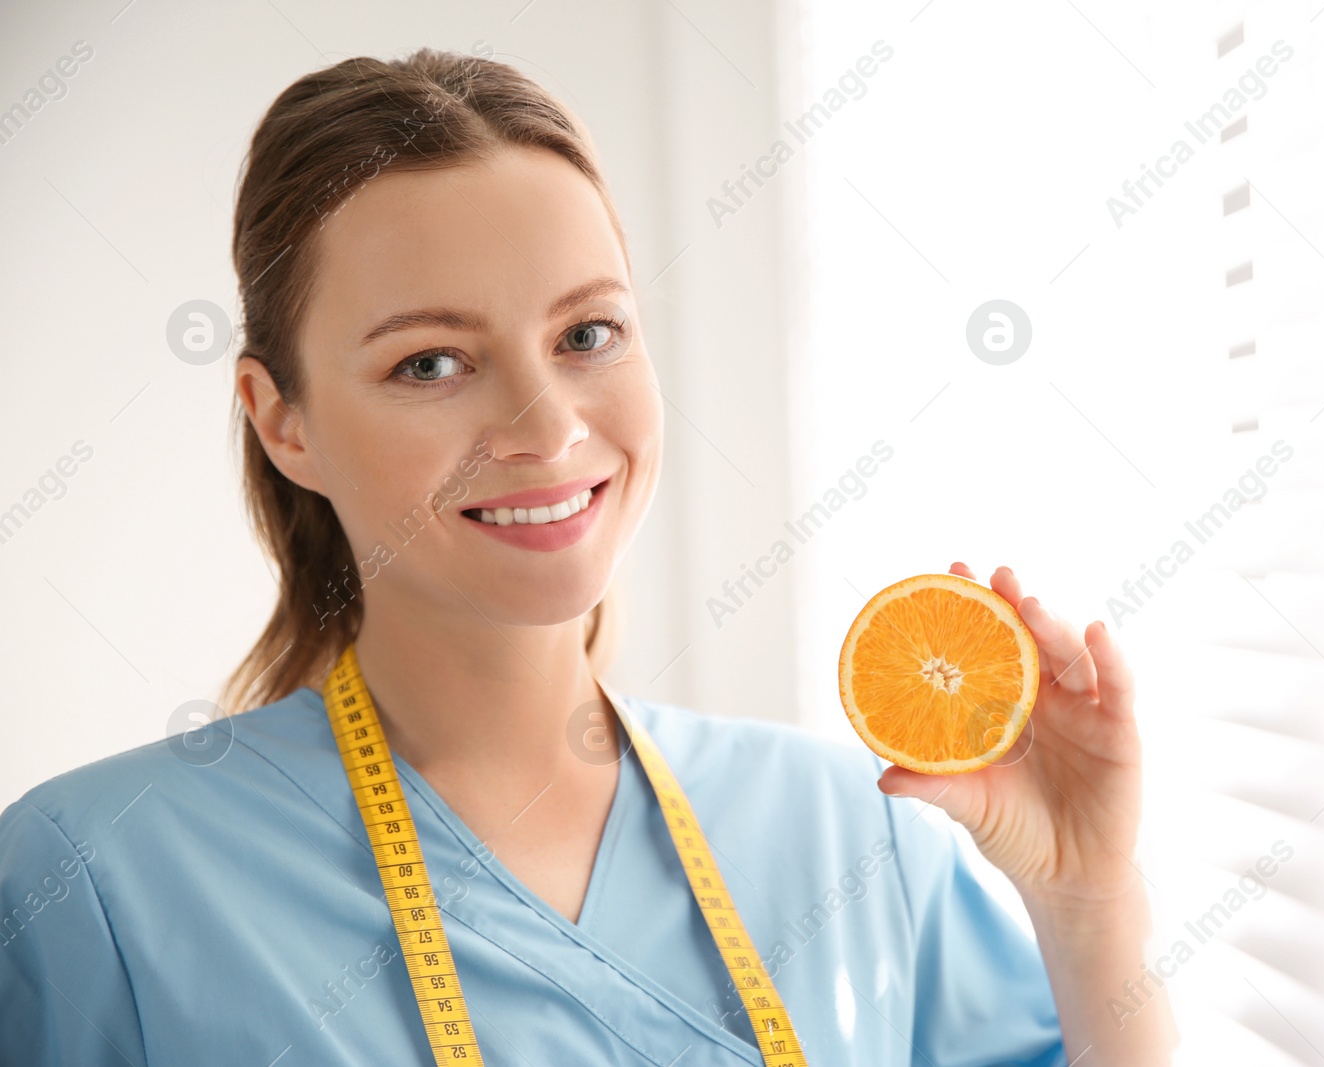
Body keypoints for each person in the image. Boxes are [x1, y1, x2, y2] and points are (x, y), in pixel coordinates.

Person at [0, 49, 1175, 1065]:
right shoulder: (95, 881)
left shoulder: (852, 830)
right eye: (430, 363)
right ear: (281, 419)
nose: (551, 425)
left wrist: (1087, 897)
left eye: (587, 333)